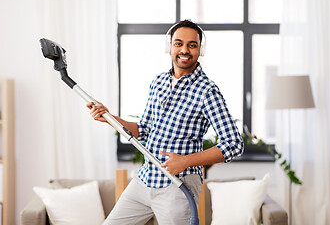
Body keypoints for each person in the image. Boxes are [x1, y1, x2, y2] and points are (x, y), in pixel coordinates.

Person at [87, 19, 244, 225]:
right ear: (169, 47)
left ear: (200, 50)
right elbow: (143, 130)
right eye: (178, 43)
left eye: (192, 45)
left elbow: (234, 144)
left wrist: (185, 161)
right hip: (145, 179)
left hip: (178, 186)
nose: (184, 50)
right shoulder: (158, 82)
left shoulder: (207, 91)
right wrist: (109, 118)